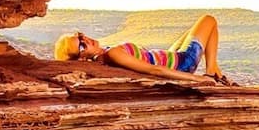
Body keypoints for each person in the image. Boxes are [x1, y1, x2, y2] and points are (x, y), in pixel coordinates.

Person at [53, 14, 235, 85]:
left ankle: (216, 69)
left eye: (80, 36)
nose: (86, 39)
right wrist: (199, 79)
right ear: (82, 59)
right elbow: (153, 70)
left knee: (191, 31)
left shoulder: (105, 54)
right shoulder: (113, 54)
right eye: (82, 45)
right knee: (208, 21)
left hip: (169, 56)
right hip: (182, 63)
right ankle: (212, 72)